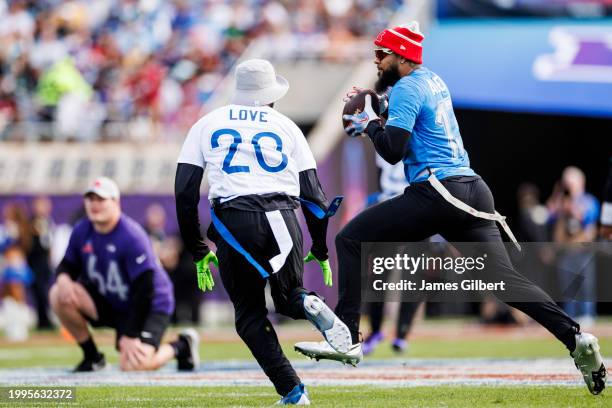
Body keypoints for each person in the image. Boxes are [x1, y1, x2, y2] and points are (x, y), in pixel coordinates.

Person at [294, 21, 607, 395]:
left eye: (382, 54)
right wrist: (378, 109)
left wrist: (371, 124)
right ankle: (574, 337)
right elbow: (408, 116)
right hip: (471, 188)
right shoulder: (430, 80)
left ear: (403, 57)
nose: (377, 61)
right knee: (504, 281)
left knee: (349, 238)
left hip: (439, 190)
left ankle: (346, 338)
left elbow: (392, 150)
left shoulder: (408, 85)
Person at [175, 59, 351, 405]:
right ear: (271, 94)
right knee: (288, 299)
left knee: (249, 314)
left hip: (234, 218)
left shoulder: (207, 123)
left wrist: (197, 248)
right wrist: (320, 246)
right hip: (283, 217)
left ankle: (293, 391)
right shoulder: (288, 127)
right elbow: (315, 197)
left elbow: (184, 191)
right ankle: (306, 301)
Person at [48, 177, 199, 372]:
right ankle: (93, 358)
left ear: (116, 202)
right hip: (113, 302)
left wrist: (131, 333)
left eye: (101, 199)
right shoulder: (82, 229)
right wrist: (64, 279)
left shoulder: (131, 235)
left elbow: (146, 288)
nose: (94, 204)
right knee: (57, 293)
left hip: (150, 305)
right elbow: (67, 265)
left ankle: (181, 346)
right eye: (90, 199)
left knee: (135, 365)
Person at [548, 167, 599, 326]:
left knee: (585, 284)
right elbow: (549, 216)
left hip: (582, 250)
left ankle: (587, 315)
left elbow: (589, 220)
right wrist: (558, 197)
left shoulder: (588, 200)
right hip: (566, 250)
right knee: (568, 287)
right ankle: (570, 317)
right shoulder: (561, 201)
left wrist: (573, 208)